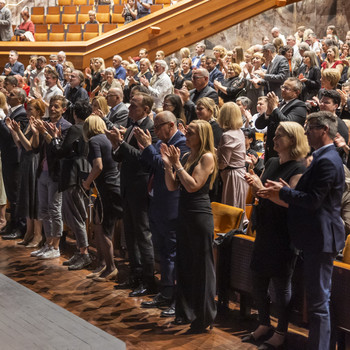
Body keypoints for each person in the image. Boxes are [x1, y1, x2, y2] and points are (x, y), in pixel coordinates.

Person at [259, 111, 345, 350]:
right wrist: (287, 190)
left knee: (318, 303)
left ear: (324, 130)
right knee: (320, 301)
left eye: (310, 127)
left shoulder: (327, 160)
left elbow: (314, 200)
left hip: (322, 237)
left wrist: (283, 192)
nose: (306, 132)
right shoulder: (322, 157)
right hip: (317, 236)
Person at [244, 121, 309, 350]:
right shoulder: (271, 161)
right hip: (265, 228)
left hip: (284, 234)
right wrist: (255, 184)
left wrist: (264, 190)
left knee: (281, 288)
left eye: (279, 135)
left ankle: (281, 331)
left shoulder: (299, 168)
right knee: (258, 281)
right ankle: (263, 324)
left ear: (292, 140)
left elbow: (292, 203)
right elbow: (263, 192)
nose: (274, 138)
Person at [161, 119, 218, 333]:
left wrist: (176, 165)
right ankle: (185, 312)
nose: (186, 135)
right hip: (184, 213)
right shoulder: (186, 156)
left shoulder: (208, 156)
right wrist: (168, 166)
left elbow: (194, 186)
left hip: (199, 215)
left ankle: (204, 317)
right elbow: (173, 186)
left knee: (202, 267)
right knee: (184, 264)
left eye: (191, 132)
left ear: (201, 136)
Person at [134, 111, 189, 316]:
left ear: (171, 124)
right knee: (163, 251)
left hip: (171, 205)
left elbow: (166, 166)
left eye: (158, 127)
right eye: (154, 128)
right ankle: (165, 292)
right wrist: (146, 149)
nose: (155, 131)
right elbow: (151, 162)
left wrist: (149, 147)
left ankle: (175, 297)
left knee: (173, 252)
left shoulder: (181, 143)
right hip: (157, 202)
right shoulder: (160, 142)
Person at [108, 93, 157, 296]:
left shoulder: (150, 128)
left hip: (140, 187)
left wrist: (121, 144)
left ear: (145, 109)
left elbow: (143, 158)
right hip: (127, 185)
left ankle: (148, 280)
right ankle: (135, 274)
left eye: (134, 107)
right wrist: (115, 144)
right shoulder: (131, 126)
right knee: (130, 233)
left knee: (142, 235)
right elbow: (119, 156)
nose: (129, 110)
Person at [47, 100, 92, 271]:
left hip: (73, 175)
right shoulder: (89, 127)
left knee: (75, 217)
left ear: (74, 114)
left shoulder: (76, 129)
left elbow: (61, 151)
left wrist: (55, 138)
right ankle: (82, 251)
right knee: (76, 216)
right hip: (82, 174)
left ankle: (84, 253)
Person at [30, 95, 72, 259]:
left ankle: (55, 246)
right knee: (44, 210)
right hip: (43, 172)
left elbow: (59, 150)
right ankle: (47, 244)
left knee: (55, 210)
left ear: (64, 109)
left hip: (56, 174)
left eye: (56, 106)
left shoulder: (66, 127)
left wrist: (44, 132)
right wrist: (35, 133)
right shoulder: (44, 123)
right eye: (52, 106)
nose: (53, 109)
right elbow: (35, 148)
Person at [82, 115, 122, 280]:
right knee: (98, 225)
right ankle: (103, 264)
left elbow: (98, 165)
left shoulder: (94, 141)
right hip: (111, 186)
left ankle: (111, 267)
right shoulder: (106, 139)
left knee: (105, 229)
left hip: (107, 188)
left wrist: (87, 182)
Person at [5, 99, 45, 247]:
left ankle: (37, 234)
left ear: (39, 112)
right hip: (25, 161)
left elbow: (30, 147)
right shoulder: (29, 123)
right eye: (28, 110)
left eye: (31, 110)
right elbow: (19, 144)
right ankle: (29, 232)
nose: (28, 112)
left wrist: (19, 131)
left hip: (34, 162)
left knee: (34, 199)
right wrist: (13, 131)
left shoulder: (40, 124)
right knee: (27, 197)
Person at [255, 77, 307, 161]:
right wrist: (268, 112)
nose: (282, 90)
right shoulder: (280, 103)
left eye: (287, 88)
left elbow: (287, 125)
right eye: (282, 86)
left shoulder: (300, 106)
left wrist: (275, 108)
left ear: (296, 92)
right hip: (271, 150)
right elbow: (259, 125)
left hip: (287, 153)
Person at [0, 88, 28, 240]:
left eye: (11, 94)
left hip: (15, 159)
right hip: (7, 157)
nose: (8, 96)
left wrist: (1, 123)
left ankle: (20, 226)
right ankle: (12, 223)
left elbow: (14, 137)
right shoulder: (12, 112)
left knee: (16, 194)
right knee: (11, 194)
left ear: (20, 99)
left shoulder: (22, 114)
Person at [217, 102, 248, 211]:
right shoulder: (239, 131)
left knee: (230, 213)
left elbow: (222, 164)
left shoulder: (227, 135)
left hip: (232, 177)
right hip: (240, 173)